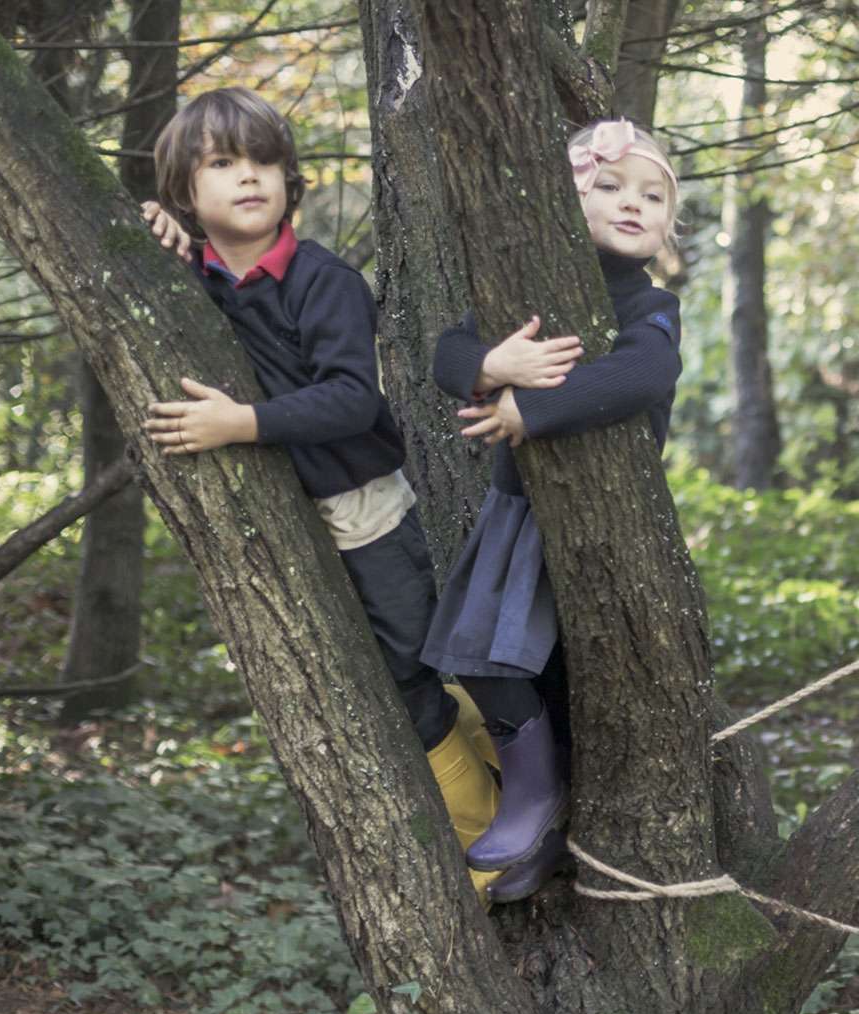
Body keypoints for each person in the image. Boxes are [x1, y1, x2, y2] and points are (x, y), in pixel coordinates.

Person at [138, 87, 499, 897]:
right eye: (222, 165)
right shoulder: (198, 279)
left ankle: (496, 837)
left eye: (265, 161)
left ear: (291, 180)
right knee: (397, 677)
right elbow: (165, 267)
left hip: (365, 508)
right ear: (186, 194)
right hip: (303, 518)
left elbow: (351, 399)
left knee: (412, 675)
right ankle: (496, 797)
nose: (250, 178)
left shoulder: (322, 280)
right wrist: (156, 238)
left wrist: (243, 424)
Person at [419, 118, 683, 902]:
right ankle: (533, 792)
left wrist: (532, 411)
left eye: (653, 195)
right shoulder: (527, 296)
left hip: (597, 523)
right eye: (609, 186)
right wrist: (493, 364)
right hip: (516, 511)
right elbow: (448, 351)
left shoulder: (651, 306)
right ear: (567, 203)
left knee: (560, 672)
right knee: (477, 656)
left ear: (670, 226)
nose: (633, 203)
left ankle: (543, 811)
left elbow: (644, 374)